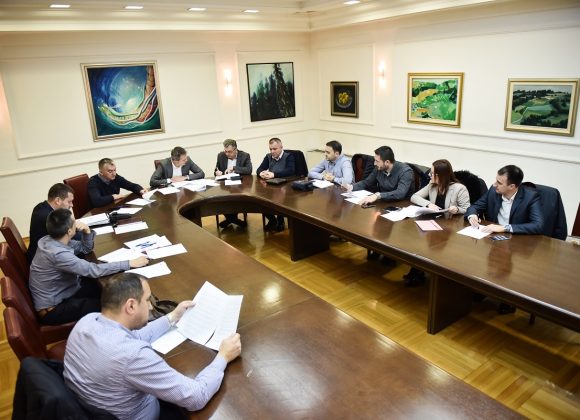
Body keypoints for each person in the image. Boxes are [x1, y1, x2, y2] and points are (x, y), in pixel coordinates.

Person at [64, 272, 242, 420]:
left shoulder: (87, 321)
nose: (150, 307)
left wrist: (172, 317)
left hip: (91, 406)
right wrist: (223, 356)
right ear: (131, 306)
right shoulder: (133, 356)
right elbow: (196, 397)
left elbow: (135, 337)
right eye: (148, 300)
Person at [29, 209, 148, 325]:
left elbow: (85, 248)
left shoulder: (49, 240)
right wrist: (129, 263)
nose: (77, 222)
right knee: (112, 306)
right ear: (69, 231)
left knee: (108, 290)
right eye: (74, 221)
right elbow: (93, 270)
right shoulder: (58, 254)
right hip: (54, 309)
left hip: (64, 290)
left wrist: (87, 231)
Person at [465, 164, 544, 313]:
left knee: (506, 265)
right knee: (479, 259)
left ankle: (508, 299)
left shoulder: (530, 197)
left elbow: (538, 225)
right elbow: (475, 206)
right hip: (492, 238)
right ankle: (484, 289)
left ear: (512, 186)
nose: (494, 184)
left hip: (517, 243)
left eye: (499, 182)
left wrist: (505, 227)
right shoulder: (493, 191)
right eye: (496, 180)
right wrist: (472, 215)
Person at [405, 159, 470, 286]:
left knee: (433, 246)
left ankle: (422, 273)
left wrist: (457, 209)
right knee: (419, 242)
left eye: (433, 173)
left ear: (442, 175)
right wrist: (428, 204)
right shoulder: (432, 185)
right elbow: (414, 197)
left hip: (450, 229)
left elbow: (468, 209)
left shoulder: (459, 188)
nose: (430, 175)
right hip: (434, 223)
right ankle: (418, 271)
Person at [343, 146, 415, 206]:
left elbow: (400, 193)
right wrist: (351, 187)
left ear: (387, 162)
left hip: (401, 205)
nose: (374, 163)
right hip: (383, 203)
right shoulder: (379, 168)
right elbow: (367, 182)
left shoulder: (405, 171)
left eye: (377, 161)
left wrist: (377, 195)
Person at [27, 183, 75, 264]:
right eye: (69, 202)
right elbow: (70, 235)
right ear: (58, 200)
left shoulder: (41, 207)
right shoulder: (51, 217)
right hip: (43, 261)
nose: (72, 205)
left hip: (39, 253)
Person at [256, 137, 296, 231]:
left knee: (278, 199)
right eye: (270, 149)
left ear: (281, 147)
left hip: (285, 186)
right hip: (272, 185)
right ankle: (272, 220)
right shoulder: (268, 156)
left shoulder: (289, 156)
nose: (272, 151)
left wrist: (274, 174)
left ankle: (280, 220)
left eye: (274, 149)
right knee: (261, 200)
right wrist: (261, 173)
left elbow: (290, 171)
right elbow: (259, 169)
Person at [214, 139, 252, 228]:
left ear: (236, 150)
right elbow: (216, 169)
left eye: (230, 152)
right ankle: (233, 220)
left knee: (236, 198)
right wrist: (217, 172)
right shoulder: (221, 155)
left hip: (240, 185)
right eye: (225, 151)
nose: (227, 154)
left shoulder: (245, 155)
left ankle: (230, 219)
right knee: (219, 199)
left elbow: (249, 170)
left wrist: (234, 168)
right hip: (225, 186)